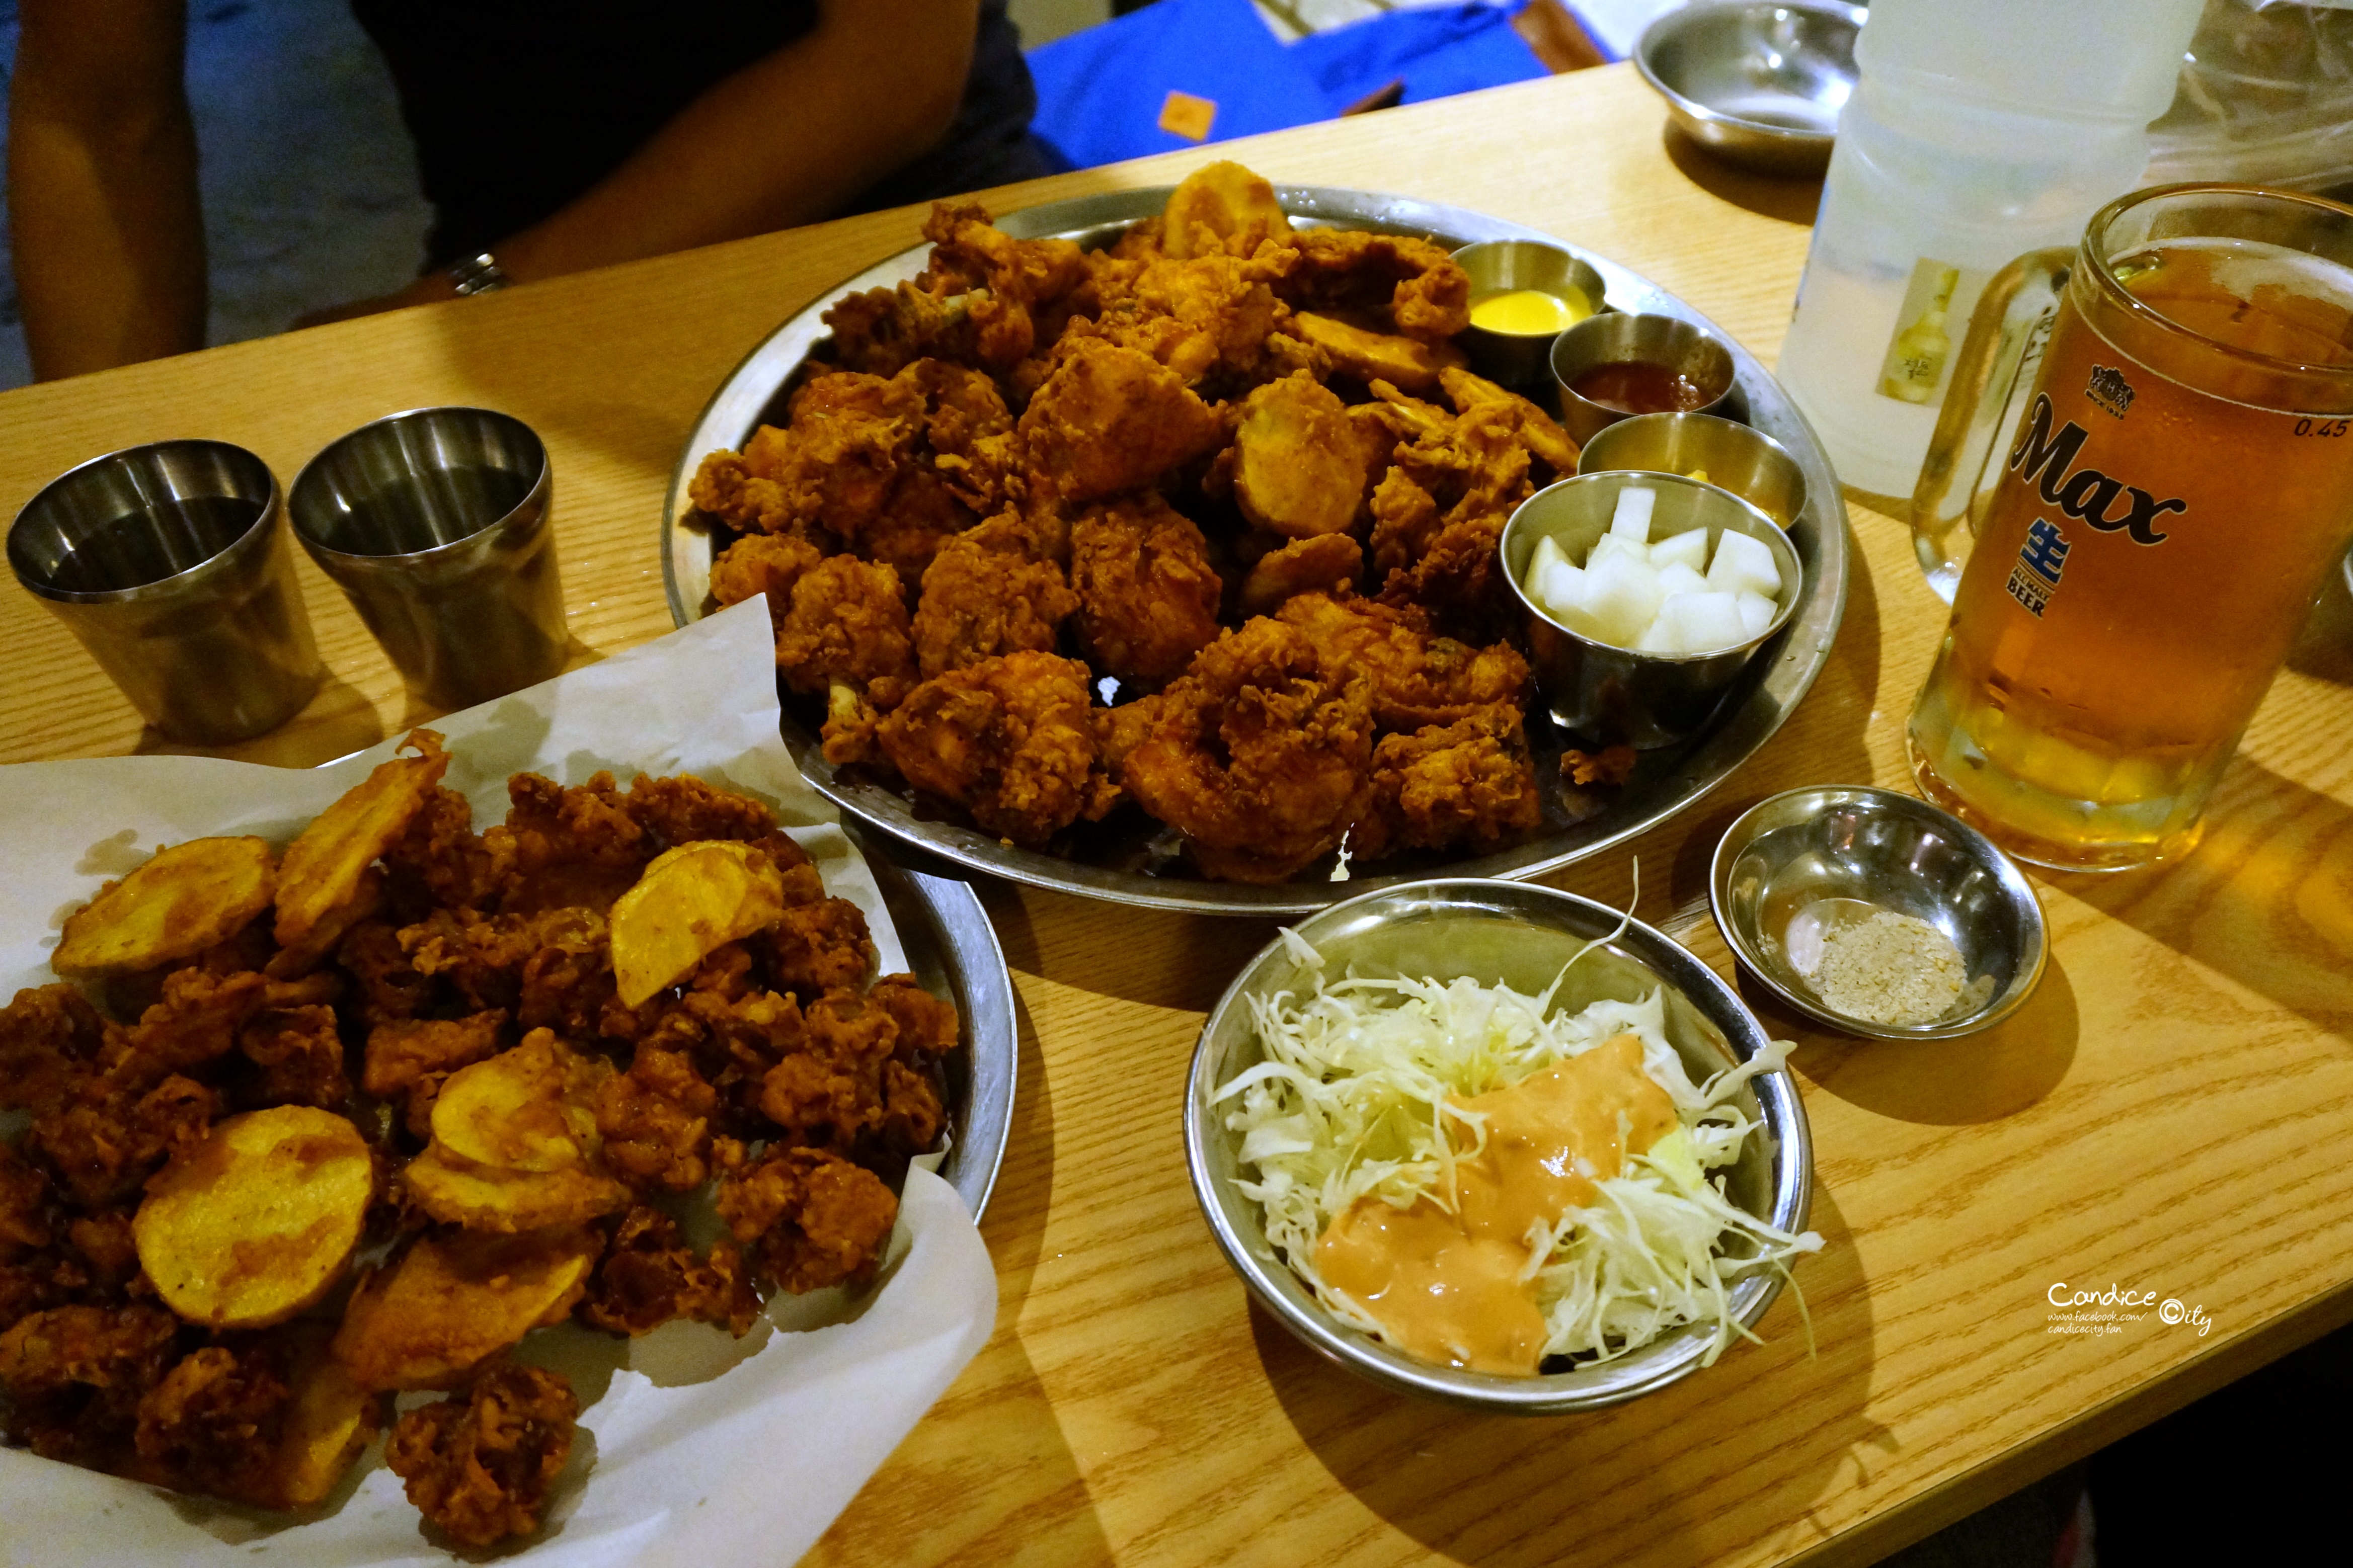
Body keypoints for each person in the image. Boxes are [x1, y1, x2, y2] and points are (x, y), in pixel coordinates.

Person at [7, 0, 1046, 381]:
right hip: (515, 238)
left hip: (912, 215)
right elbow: (93, 109)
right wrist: (119, 455)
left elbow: (893, 71)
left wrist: (487, 291)